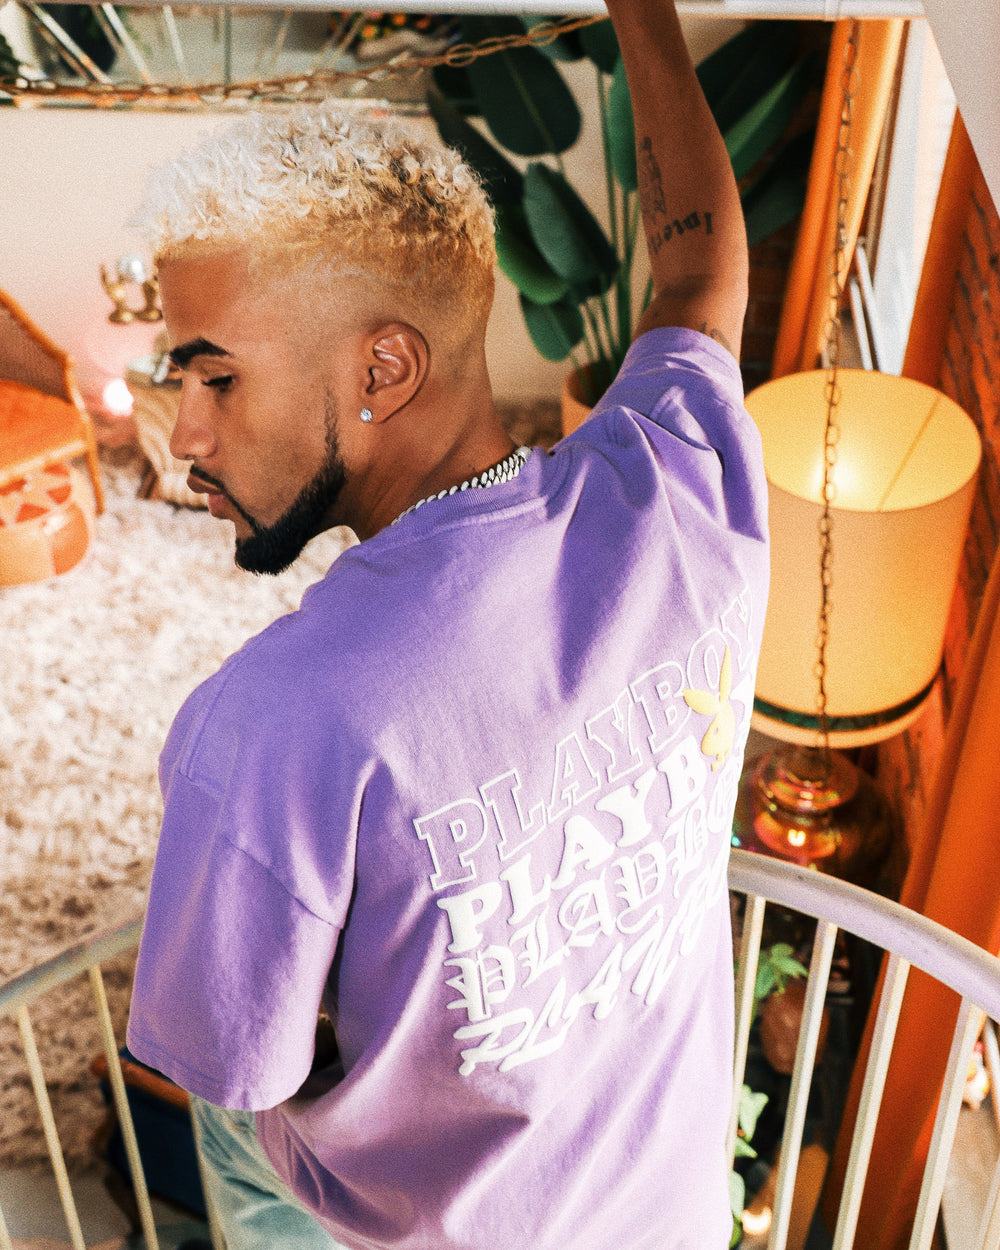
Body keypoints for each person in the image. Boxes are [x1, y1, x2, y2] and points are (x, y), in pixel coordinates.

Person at [125, 0, 769, 1245]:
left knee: (222, 1127)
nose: (185, 436)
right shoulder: (677, 477)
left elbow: (236, 1063)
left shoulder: (266, 724)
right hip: (672, 1208)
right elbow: (699, 273)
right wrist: (641, 12)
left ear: (383, 370)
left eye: (218, 377)